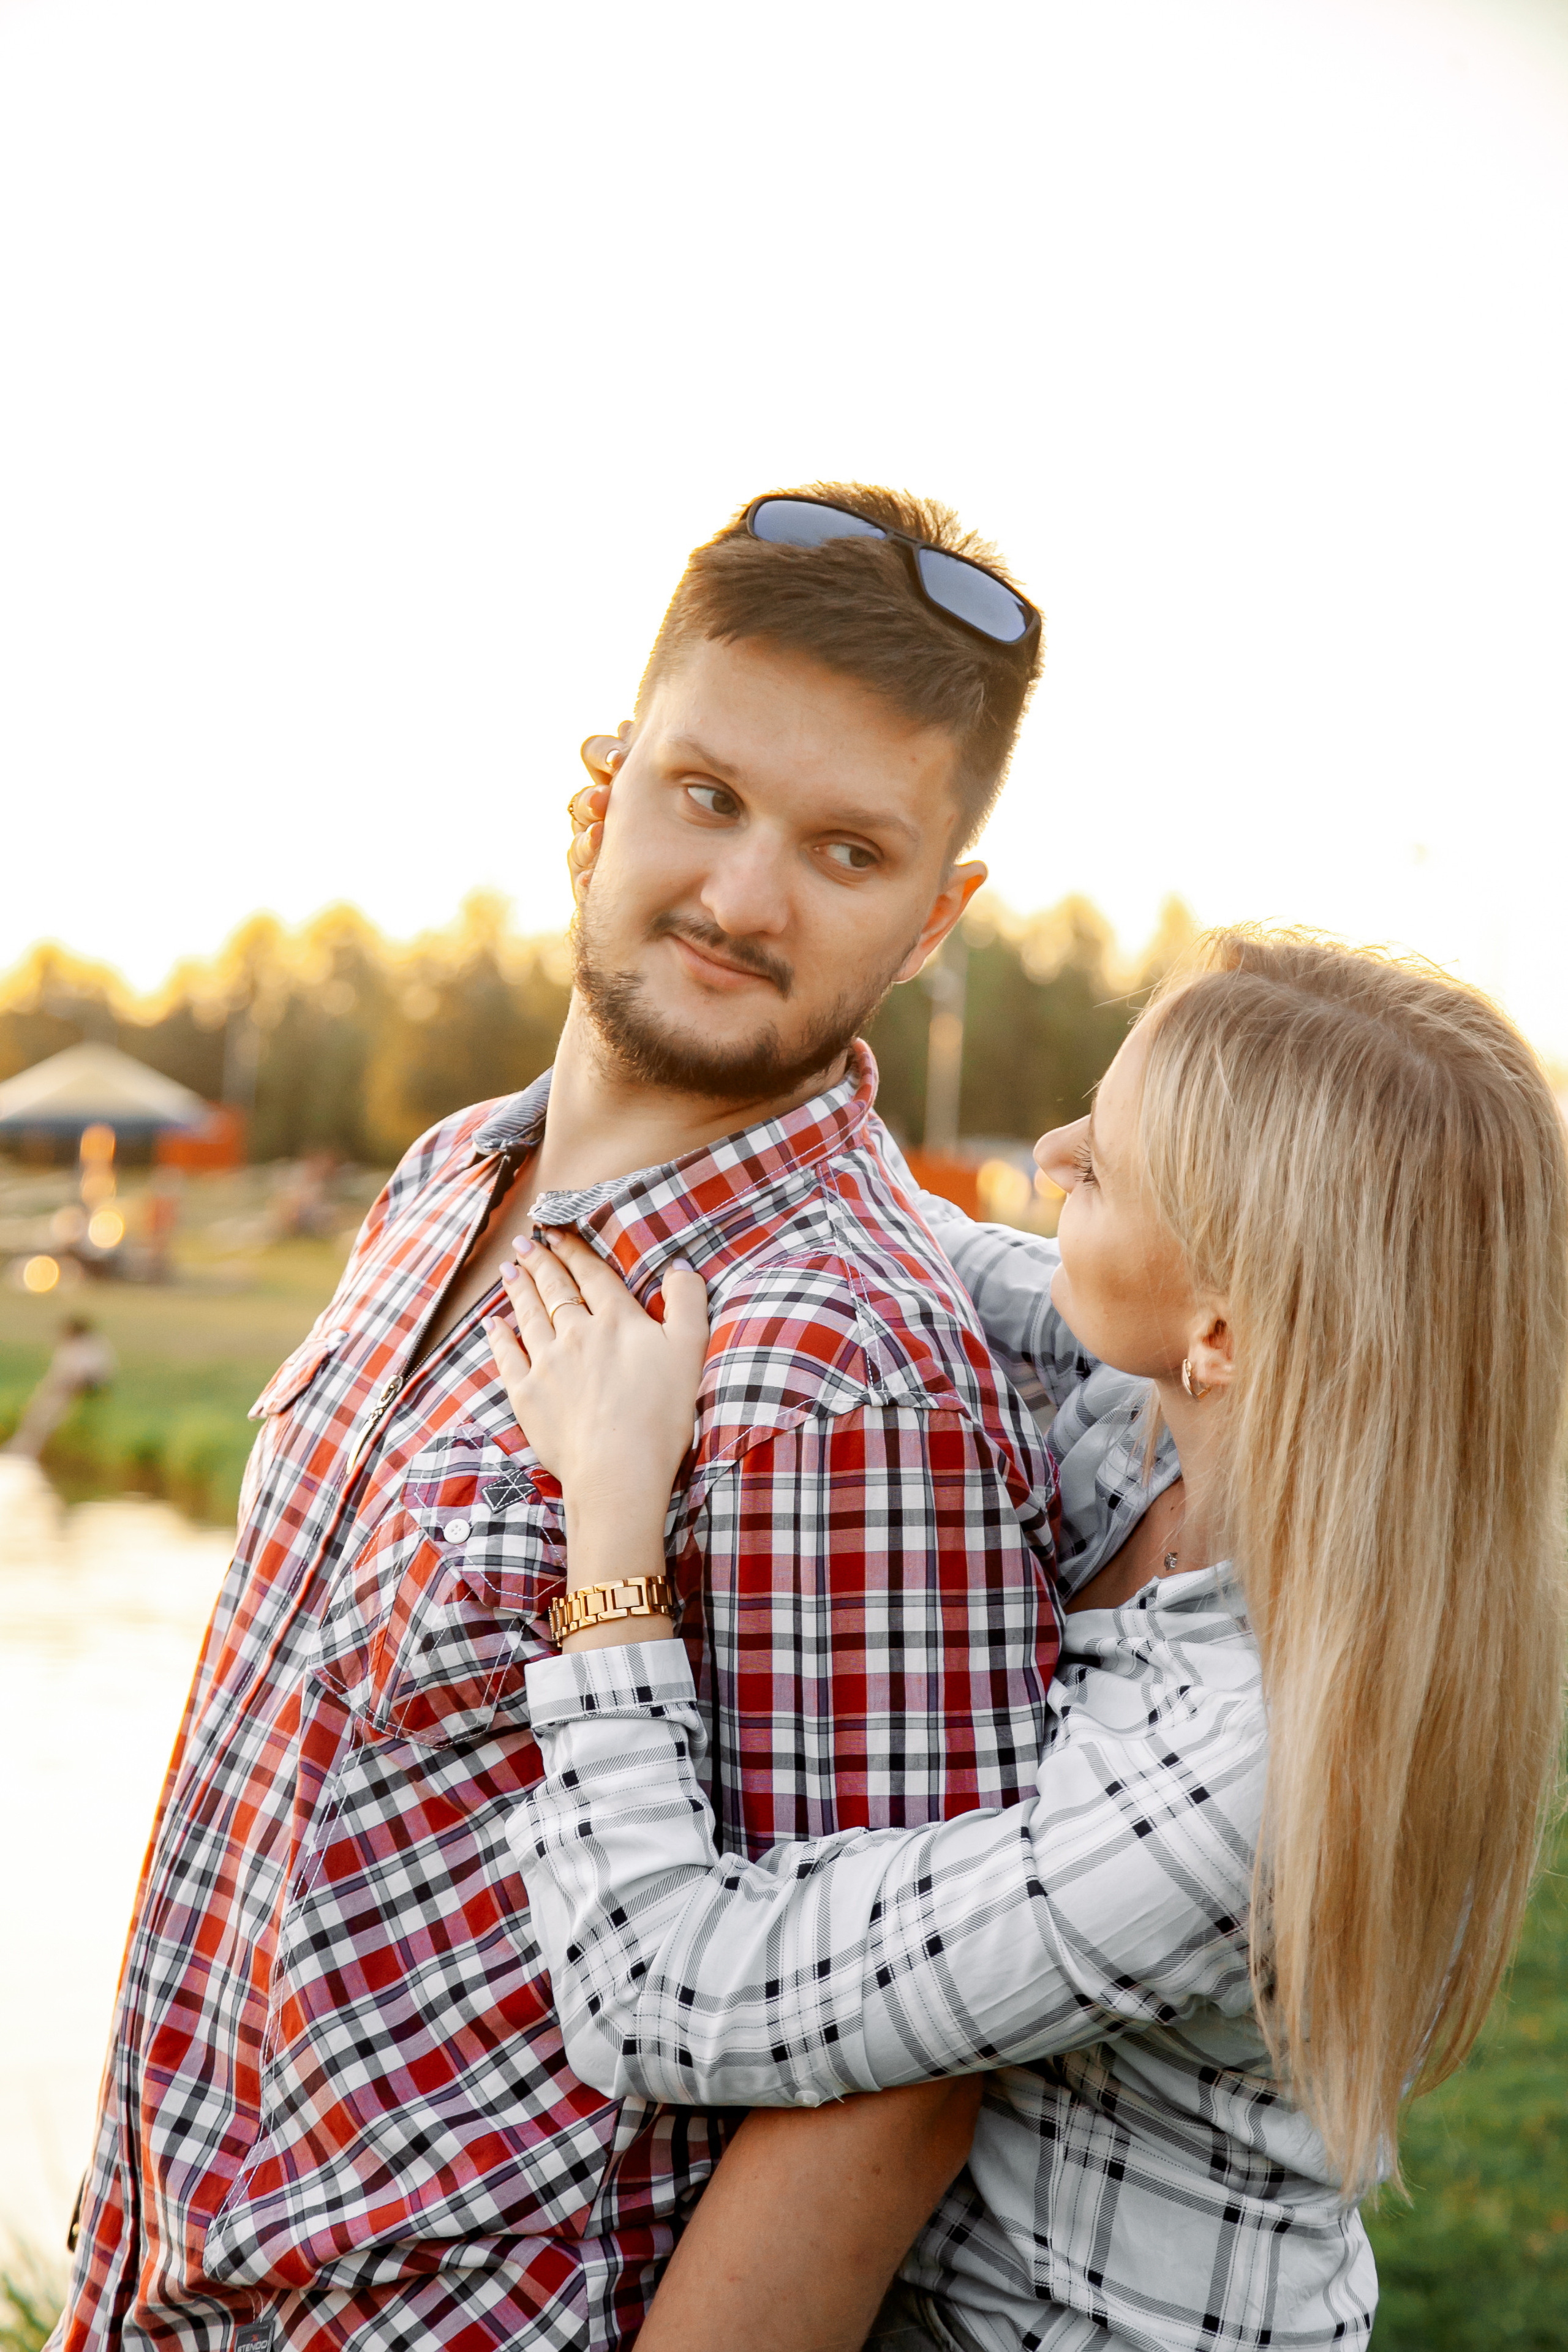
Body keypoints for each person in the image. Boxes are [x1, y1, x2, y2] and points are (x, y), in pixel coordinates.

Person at [55, 484, 1062, 2352]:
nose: (745, 895)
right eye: (708, 796)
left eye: (846, 851)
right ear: (600, 784)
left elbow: (890, 2085)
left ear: (936, 916)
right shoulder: (448, 1174)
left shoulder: (849, 1367)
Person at [482, 929, 1568, 2352]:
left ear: (1224, 1329)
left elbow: (655, 1981)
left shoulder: (1244, 1772)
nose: (1047, 1151)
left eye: (1102, 1167)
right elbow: (893, 1233)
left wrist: (611, 1519)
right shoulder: (1181, 1420)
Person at [5, 1316, 116, 1460]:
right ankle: (20, 1451)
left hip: (71, 1391)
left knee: (43, 1420)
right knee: (36, 1418)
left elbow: (85, 1375)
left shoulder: (84, 1348)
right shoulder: (83, 1346)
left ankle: (24, 1453)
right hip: (63, 1390)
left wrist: (67, 1388)